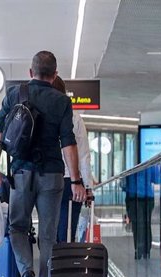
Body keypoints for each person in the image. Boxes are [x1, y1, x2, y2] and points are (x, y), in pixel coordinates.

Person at [0, 50, 86, 277]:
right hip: (52, 175)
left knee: (17, 227)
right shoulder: (62, 101)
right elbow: (69, 143)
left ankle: (25, 270)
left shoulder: (15, 95)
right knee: (48, 238)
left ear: (31, 73)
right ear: (54, 76)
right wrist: (76, 180)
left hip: (20, 173)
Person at [51, 76, 96, 243]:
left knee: (49, 231)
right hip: (71, 182)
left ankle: (49, 266)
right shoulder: (74, 118)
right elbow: (83, 155)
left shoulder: (38, 115)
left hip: (45, 181)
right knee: (67, 231)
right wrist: (88, 187)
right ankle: (64, 265)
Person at [122, 165, 161, 259]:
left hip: (133, 196)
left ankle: (139, 249)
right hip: (148, 196)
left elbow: (123, 182)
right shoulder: (149, 162)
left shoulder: (130, 161)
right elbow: (157, 178)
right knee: (146, 223)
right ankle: (146, 250)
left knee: (137, 224)